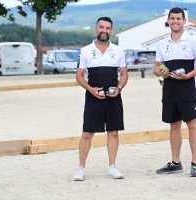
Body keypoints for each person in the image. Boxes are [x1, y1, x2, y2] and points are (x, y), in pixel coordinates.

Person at [153, 7, 196, 177]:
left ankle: (195, 163)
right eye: (172, 18)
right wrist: (159, 71)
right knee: (174, 125)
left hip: (188, 90)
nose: (175, 21)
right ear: (168, 20)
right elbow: (156, 67)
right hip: (169, 91)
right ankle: (176, 163)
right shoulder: (162, 44)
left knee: (192, 124)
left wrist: (189, 75)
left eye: (179, 18)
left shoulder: (193, 40)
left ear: (184, 21)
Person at [73, 17, 128, 181]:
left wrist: (118, 88)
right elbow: (79, 75)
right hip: (93, 97)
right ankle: (81, 168)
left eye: (108, 28)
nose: (105, 30)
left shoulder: (118, 50)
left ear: (111, 30)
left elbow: (124, 73)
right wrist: (90, 89)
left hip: (113, 96)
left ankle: (112, 167)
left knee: (113, 132)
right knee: (87, 133)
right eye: (101, 27)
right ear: (96, 29)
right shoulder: (85, 51)